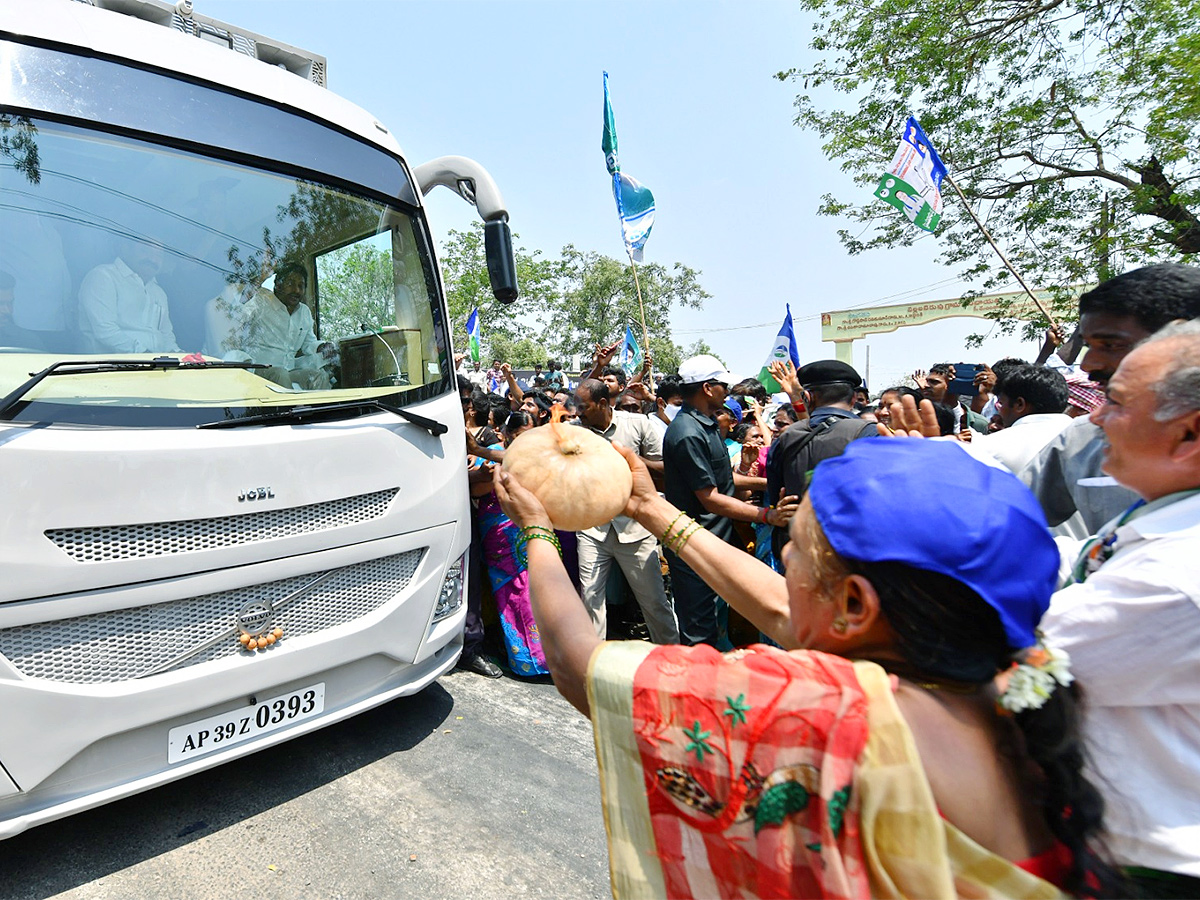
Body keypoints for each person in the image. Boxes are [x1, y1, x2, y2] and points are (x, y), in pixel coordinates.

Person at [494, 438, 1124, 898]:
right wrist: (652, 511)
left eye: (795, 547)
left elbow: (584, 669)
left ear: (854, 605)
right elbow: (779, 607)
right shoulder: (1012, 682)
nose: (784, 557)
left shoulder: (827, 710)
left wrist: (539, 534)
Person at [1039, 319, 1200, 895]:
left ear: (1190, 434)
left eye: (1117, 403)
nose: (1096, 418)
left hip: (1160, 873)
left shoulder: (1176, 577)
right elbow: (1065, 559)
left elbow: (1018, 659)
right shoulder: (1156, 523)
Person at [1019, 264, 1200, 535]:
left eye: (1111, 345)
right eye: (1089, 345)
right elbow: (1008, 522)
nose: (1088, 364)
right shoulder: (1081, 441)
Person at [662, 355, 798, 647]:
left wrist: (770, 482)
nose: (728, 391)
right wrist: (766, 515)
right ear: (708, 388)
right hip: (695, 544)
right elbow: (710, 498)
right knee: (701, 634)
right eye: (723, 386)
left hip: (715, 542)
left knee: (718, 623)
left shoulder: (707, 425)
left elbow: (724, 480)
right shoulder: (687, 432)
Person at [572, 379, 678, 644]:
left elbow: (665, 469)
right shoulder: (574, 431)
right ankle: (591, 667)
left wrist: (629, 459)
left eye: (583, 406)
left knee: (654, 602)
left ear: (603, 404)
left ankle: (673, 662)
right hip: (592, 529)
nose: (578, 413)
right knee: (591, 602)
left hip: (636, 530)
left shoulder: (639, 424)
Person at [766, 360, 875, 558]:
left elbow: (775, 497)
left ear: (807, 397)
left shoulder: (785, 437)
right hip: (849, 551)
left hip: (795, 550)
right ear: (853, 399)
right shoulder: (870, 433)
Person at [215, 261, 330, 390]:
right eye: (290, 284)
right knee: (280, 374)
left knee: (318, 376)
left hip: (289, 371)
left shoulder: (304, 312)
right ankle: (291, 410)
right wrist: (260, 278)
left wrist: (322, 346)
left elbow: (309, 343)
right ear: (278, 285)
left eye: (301, 286)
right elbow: (238, 314)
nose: (296, 290)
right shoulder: (261, 300)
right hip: (258, 372)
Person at [959, 364, 1072, 472]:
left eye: (1001, 403)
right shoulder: (1084, 436)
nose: (999, 412)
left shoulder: (991, 448)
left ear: (1019, 404)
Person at [78, 240, 181, 353]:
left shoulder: (159, 292)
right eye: (145, 250)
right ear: (125, 249)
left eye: (159, 255)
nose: (152, 259)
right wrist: (144, 355)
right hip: (112, 367)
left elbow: (166, 334)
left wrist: (177, 352)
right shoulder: (103, 276)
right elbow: (105, 331)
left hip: (157, 366)